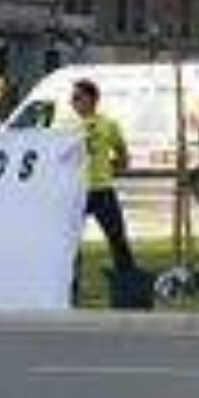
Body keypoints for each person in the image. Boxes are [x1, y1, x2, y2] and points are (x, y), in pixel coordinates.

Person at [70, 79, 135, 272]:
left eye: (76, 97)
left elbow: (122, 152)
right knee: (70, 244)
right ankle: (68, 285)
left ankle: (128, 281)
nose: (72, 102)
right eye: (72, 98)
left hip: (103, 190)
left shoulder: (108, 124)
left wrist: (115, 166)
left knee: (118, 239)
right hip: (77, 193)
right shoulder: (66, 127)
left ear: (91, 99)